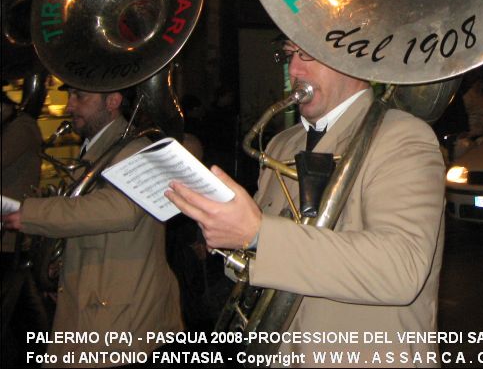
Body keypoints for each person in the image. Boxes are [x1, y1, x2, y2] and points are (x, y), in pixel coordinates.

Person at [167, 40, 446, 366]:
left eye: (307, 55)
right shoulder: (282, 144)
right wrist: (222, 230)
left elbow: (401, 269)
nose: (294, 71)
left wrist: (258, 234)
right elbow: (261, 259)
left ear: (352, 60)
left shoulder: (403, 137)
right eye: (289, 55)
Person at [1, 86, 183, 366]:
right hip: (95, 304)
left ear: (113, 101)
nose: (69, 106)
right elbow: (86, 224)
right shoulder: (96, 149)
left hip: (121, 320)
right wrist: (62, 270)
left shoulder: (135, 148)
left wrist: (34, 213)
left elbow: (121, 209)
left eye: (80, 97)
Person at [1, 92, 49, 367]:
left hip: (13, 233)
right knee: (20, 306)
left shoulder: (22, 126)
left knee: (21, 304)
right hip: (9, 233)